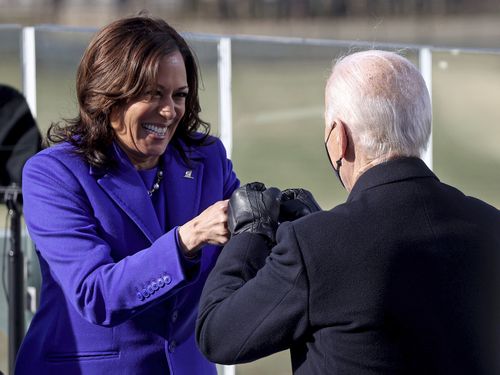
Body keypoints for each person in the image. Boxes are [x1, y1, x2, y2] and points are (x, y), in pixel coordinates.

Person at [196, 50, 500, 374]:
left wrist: (250, 234)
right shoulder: (490, 225)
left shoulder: (315, 247)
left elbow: (218, 334)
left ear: (338, 139)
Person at [15, 16, 239, 374]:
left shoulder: (207, 159)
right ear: (108, 95)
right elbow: (95, 294)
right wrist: (186, 240)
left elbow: (245, 255)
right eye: (152, 94)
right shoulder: (52, 174)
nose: (169, 111)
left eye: (179, 95)